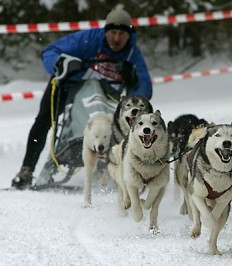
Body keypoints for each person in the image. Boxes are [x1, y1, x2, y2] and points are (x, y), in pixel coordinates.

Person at [11, 8, 153, 189]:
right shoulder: (90, 39)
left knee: (133, 119)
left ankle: (131, 170)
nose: (116, 39)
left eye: (122, 34)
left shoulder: (133, 54)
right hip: (67, 87)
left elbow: (145, 89)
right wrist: (61, 64)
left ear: (129, 35)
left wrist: (132, 79)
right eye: (113, 33)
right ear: (105, 31)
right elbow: (50, 52)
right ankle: (26, 170)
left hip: (104, 97)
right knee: (44, 119)